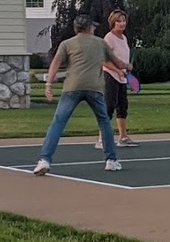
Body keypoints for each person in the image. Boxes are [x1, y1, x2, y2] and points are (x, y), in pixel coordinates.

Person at [33, 14, 133, 176]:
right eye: (93, 26)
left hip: (72, 87)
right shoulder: (101, 43)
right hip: (95, 88)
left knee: (58, 122)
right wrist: (128, 66)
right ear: (89, 28)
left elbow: (55, 64)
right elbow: (118, 63)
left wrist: (49, 85)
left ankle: (44, 159)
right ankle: (111, 160)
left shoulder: (67, 44)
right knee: (104, 121)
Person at [95, 10, 139, 148]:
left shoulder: (124, 38)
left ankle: (123, 137)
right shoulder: (109, 38)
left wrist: (126, 68)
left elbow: (122, 59)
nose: (122, 24)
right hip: (110, 76)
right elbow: (103, 60)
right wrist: (117, 70)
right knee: (108, 107)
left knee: (122, 107)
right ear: (113, 23)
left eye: (124, 21)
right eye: (119, 21)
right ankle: (102, 139)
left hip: (122, 77)